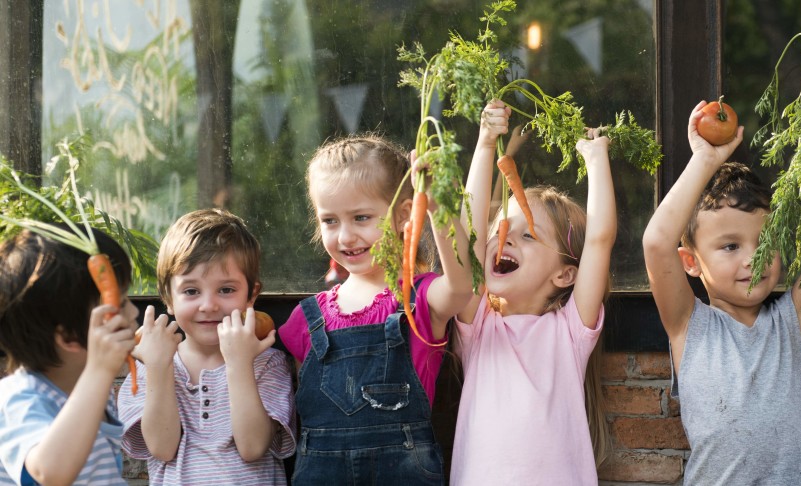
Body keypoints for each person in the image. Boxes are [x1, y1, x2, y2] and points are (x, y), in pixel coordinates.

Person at [644, 100, 801, 483]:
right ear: (690, 262)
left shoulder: (793, 321)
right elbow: (656, 243)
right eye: (730, 246)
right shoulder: (690, 325)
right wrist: (704, 160)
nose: (754, 259)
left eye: (765, 240)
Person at [277, 135, 473, 484]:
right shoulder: (306, 319)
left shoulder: (420, 300)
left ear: (402, 216)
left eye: (361, 217)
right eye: (330, 221)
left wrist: (438, 206)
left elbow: (460, 287)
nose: (346, 236)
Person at [449, 100, 615, 485]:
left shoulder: (570, 331)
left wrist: (596, 161)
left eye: (527, 236)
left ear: (565, 274)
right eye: (502, 231)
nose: (505, 240)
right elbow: (468, 237)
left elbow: (600, 240)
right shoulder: (478, 327)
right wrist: (486, 144)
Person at [119, 209, 296, 485]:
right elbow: (162, 448)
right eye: (191, 291)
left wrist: (239, 363)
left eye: (226, 289)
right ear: (168, 297)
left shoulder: (266, 361)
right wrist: (158, 366)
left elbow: (253, 447)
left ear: (251, 295)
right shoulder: (148, 365)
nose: (209, 305)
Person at [0, 226, 137, 485]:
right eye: (119, 305)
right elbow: (50, 473)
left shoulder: (87, 386)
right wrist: (99, 372)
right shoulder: (18, 400)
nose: (133, 314)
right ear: (69, 338)